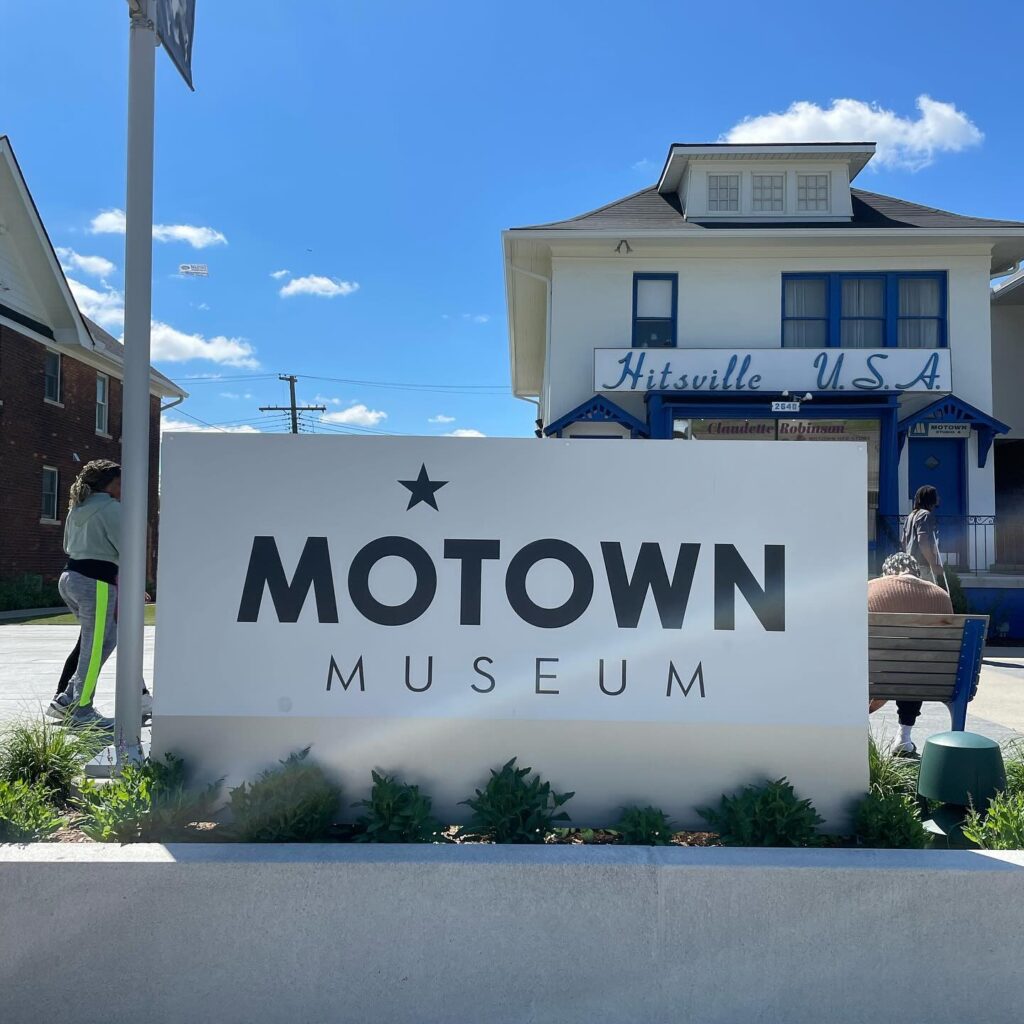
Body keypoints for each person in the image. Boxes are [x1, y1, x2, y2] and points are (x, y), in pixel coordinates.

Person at [45, 460, 152, 729]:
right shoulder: (113, 509)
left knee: (104, 641)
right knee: (94, 650)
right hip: (97, 582)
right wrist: (135, 586)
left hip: (70, 577)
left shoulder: (77, 507)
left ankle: (68, 698)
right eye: (121, 482)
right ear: (111, 485)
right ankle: (81, 710)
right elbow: (128, 550)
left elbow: (67, 544)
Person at [868, 551, 953, 757]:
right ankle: (904, 737)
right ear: (917, 572)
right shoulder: (941, 595)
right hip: (930, 680)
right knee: (916, 664)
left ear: (887, 572)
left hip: (874, 677)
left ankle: (858, 732)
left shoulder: (869, 589)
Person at [901, 485, 945, 587]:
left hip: (911, 567)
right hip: (923, 567)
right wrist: (933, 564)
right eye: (936, 495)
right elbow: (923, 541)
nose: (938, 498)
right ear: (930, 498)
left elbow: (903, 541)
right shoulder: (925, 515)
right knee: (928, 599)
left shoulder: (910, 516)